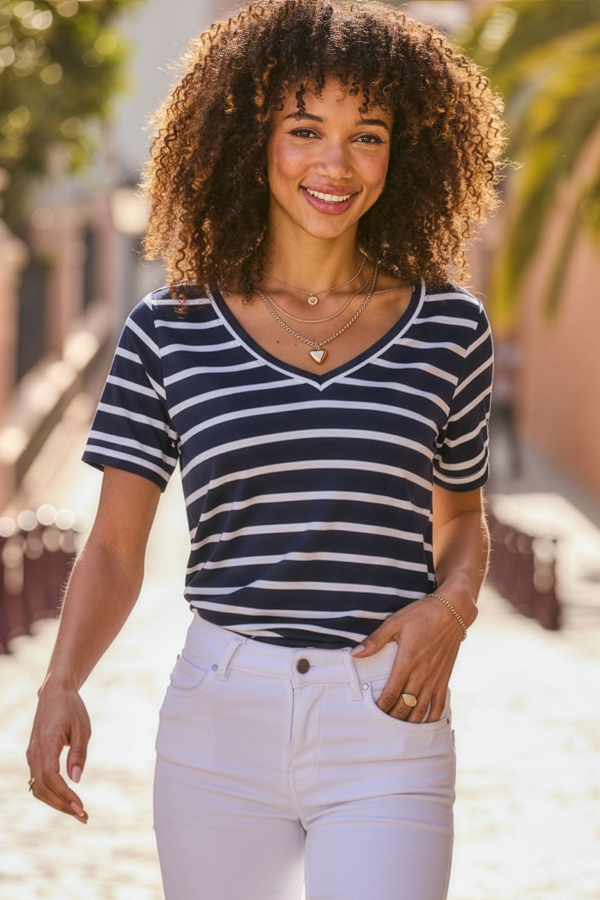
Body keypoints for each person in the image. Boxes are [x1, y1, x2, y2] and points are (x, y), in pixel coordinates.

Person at [26, 2, 505, 898]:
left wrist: (453, 608)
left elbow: (465, 519)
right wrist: (61, 684)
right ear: (252, 141)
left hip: (388, 719)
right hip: (219, 718)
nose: (336, 164)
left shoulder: (449, 327)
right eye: (304, 130)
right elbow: (117, 549)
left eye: (368, 135)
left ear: (404, 153)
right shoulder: (168, 329)